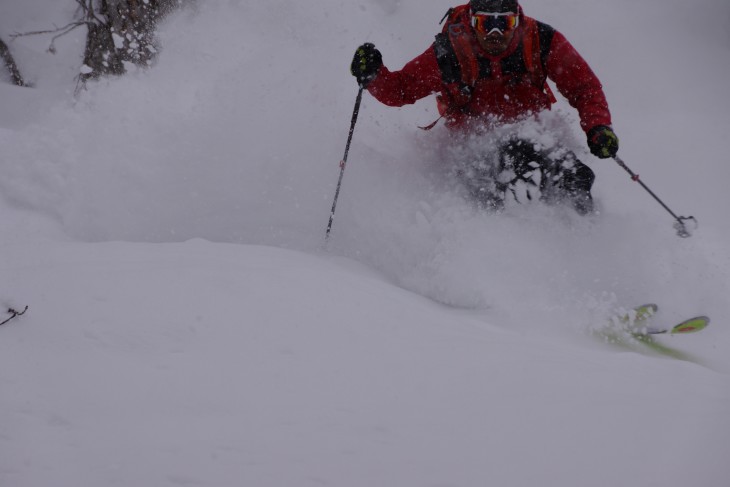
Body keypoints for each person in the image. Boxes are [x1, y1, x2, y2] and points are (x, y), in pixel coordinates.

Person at [350, 0, 619, 214]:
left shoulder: (541, 40)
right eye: (484, 24)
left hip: (535, 132)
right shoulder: (451, 51)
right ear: (471, 21)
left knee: (576, 177)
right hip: (474, 143)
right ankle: (490, 250)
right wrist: (374, 75)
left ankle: (580, 236)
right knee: (501, 174)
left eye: (505, 23)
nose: (494, 33)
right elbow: (401, 90)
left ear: (518, 20)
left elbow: (584, 87)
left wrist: (598, 127)